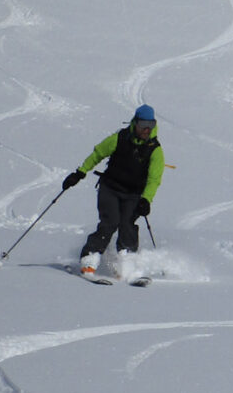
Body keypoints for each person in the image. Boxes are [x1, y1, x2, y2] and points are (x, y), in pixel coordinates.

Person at [62, 105, 164, 275]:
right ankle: (89, 258)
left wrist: (146, 199)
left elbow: (154, 179)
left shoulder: (155, 150)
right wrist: (80, 172)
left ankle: (127, 264)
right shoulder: (120, 138)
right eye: (143, 124)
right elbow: (98, 154)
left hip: (133, 194)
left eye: (151, 124)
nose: (147, 129)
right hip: (110, 188)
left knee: (127, 225)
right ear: (135, 123)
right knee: (110, 222)